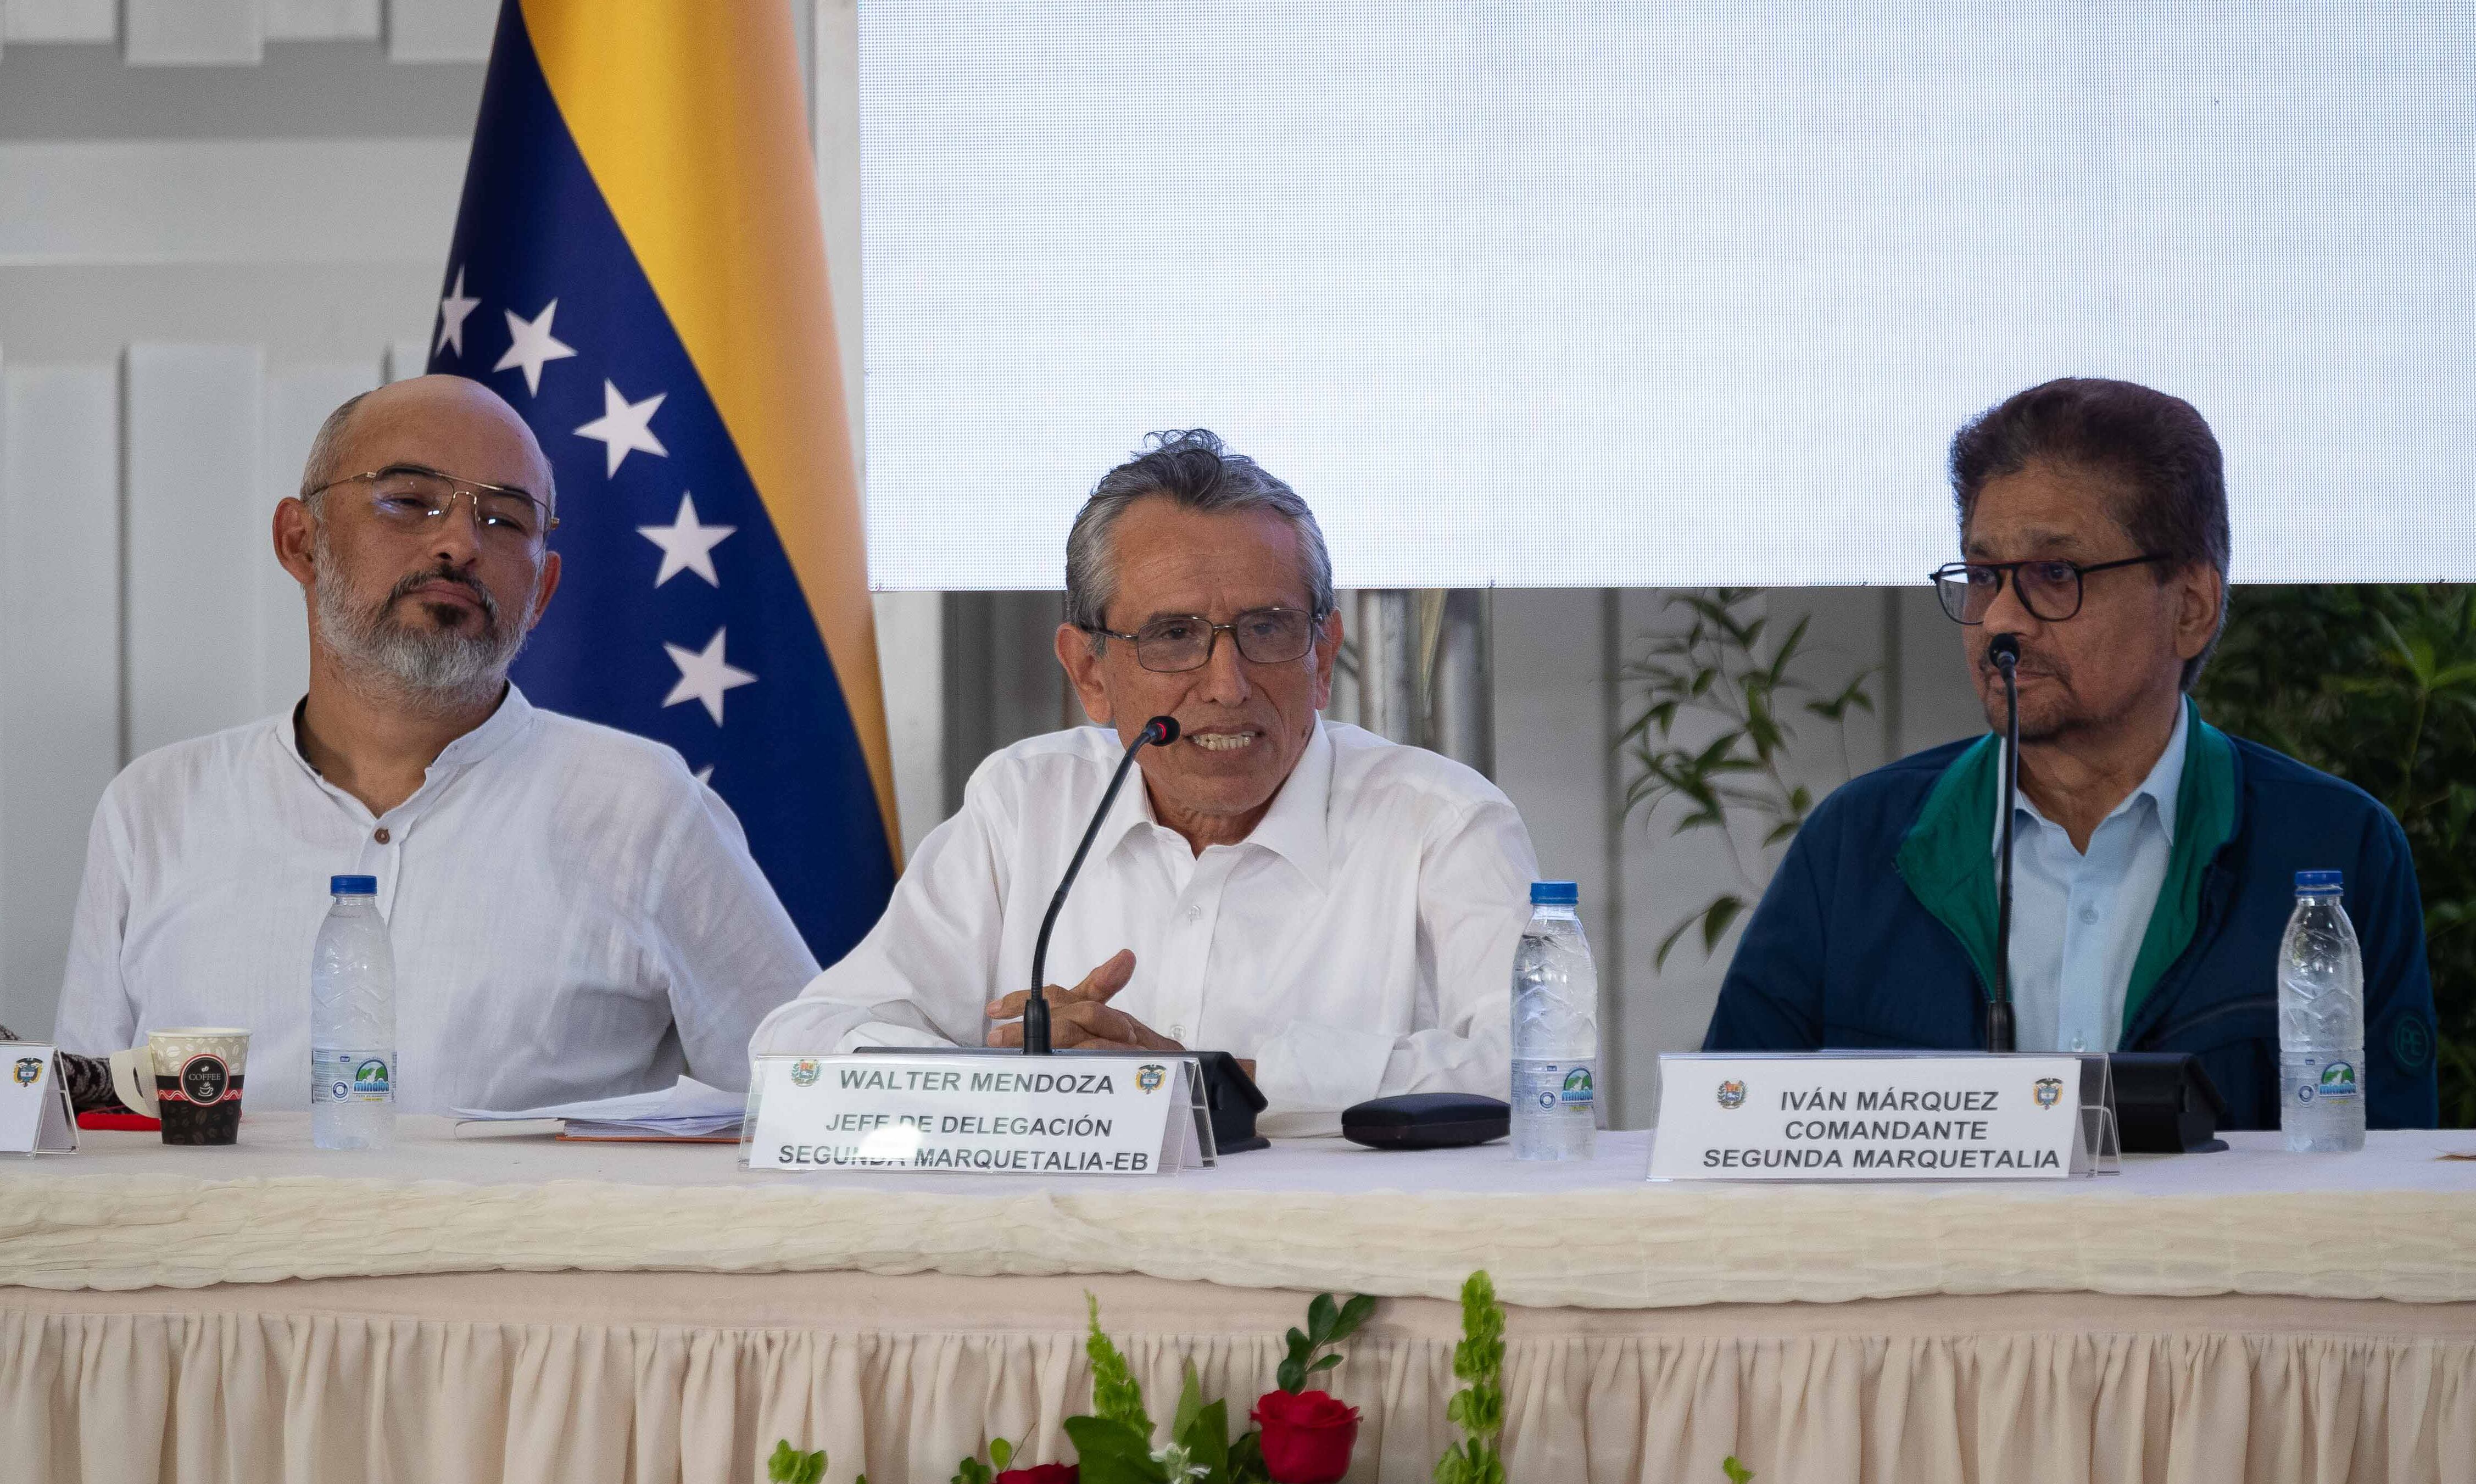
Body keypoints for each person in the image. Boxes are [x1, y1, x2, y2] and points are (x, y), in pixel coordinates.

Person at [55, 376, 816, 1114]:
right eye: (410, 501)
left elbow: (809, 1102)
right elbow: (80, 1140)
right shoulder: (153, 810)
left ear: (543, 590)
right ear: (301, 542)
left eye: (505, 520)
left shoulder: (643, 810)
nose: (458, 542)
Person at [754, 429, 1539, 1136]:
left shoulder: (1444, 822)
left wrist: (1213, 1084)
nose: (1227, 684)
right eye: (1174, 636)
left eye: (1267, 629)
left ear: (1323, 654)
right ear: (1090, 672)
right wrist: (1006, 1072)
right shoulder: (1027, 805)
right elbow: (802, 1041)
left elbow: (1547, 1074)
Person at [1705, 377, 2438, 1128]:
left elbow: (2389, 1183)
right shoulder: (1856, 846)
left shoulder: (2335, 847)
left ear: (2190, 607)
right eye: (1984, 575)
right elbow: (1725, 1132)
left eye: (2055, 575)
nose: (2000, 620)